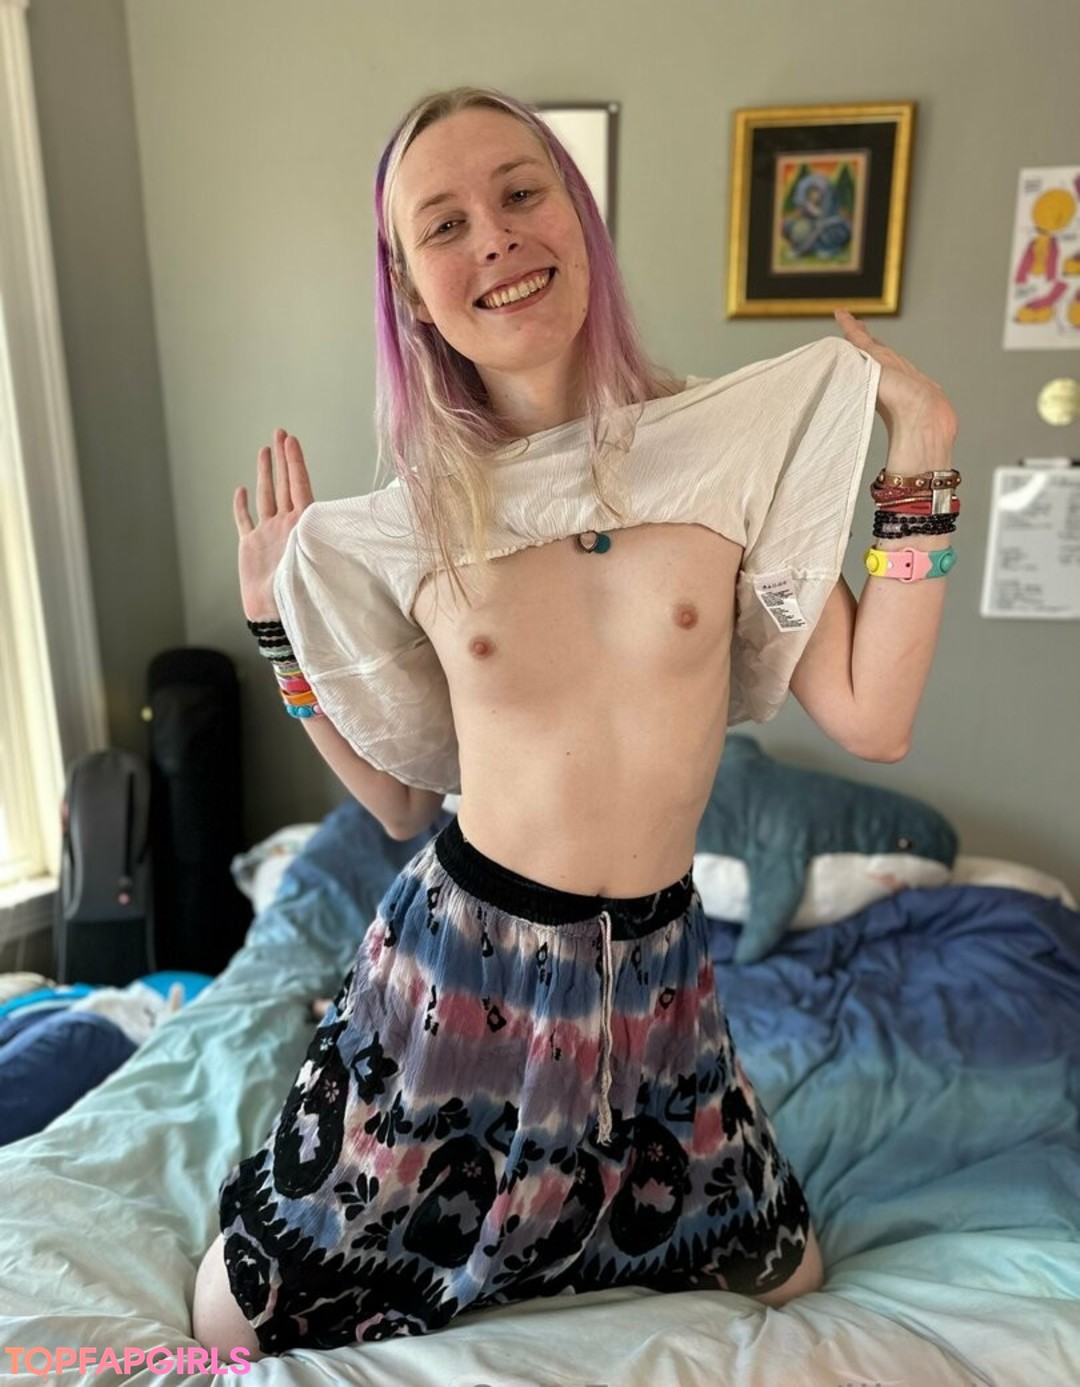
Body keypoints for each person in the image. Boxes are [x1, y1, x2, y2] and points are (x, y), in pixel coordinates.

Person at [192, 86, 959, 1357]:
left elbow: (873, 717)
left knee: (787, 1276)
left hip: (657, 978)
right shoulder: (410, 525)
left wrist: (922, 450)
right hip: (461, 966)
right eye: (444, 224)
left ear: (579, 218)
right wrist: (283, 637)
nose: (494, 236)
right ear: (410, 289)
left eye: (520, 192)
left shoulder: (726, 456)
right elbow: (397, 800)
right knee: (237, 1315)